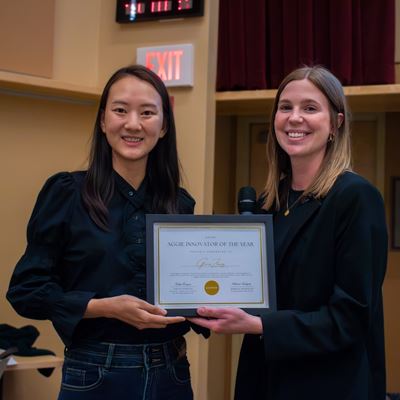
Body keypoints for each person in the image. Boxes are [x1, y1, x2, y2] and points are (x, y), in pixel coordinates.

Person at [7, 64, 207, 400]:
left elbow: (187, 290)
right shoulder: (67, 193)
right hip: (95, 373)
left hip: (171, 371)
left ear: (163, 127)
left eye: (147, 112)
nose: (133, 123)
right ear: (103, 122)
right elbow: (26, 291)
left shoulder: (179, 204)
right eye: (120, 110)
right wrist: (105, 307)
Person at [189, 66, 387, 400]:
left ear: (336, 124)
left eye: (310, 108)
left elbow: (350, 317)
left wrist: (258, 326)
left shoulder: (355, 197)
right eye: (286, 107)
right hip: (264, 380)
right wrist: (193, 301)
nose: (295, 118)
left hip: (328, 385)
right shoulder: (270, 202)